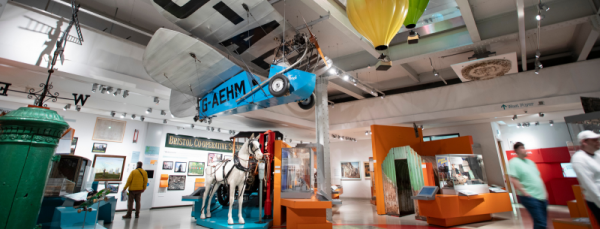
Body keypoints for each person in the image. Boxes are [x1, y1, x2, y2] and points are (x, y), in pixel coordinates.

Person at [508, 142, 548, 229]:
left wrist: (544, 193)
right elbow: (513, 179)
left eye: (524, 147)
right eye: (522, 148)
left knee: (542, 222)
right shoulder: (513, 162)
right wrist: (525, 193)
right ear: (516, 151)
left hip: (541, 197)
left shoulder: (530, 162)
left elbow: (538, 177)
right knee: (541, 223)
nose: (524, 150)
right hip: (530, 197)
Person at [571, 130, 600, 225]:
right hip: (596, 201)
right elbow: (589, 186)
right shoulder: (579, 159)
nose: (598, 141)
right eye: (594, 140)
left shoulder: (597, 154)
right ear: (584, 142)